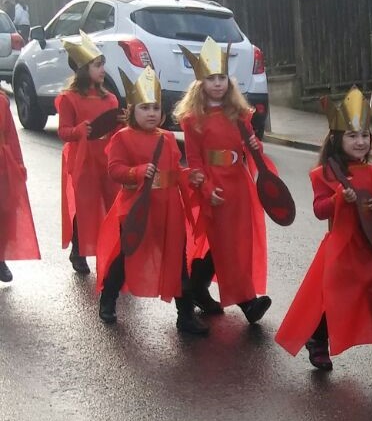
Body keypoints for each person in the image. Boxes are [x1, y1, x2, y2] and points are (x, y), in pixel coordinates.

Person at [275, 87, 372, 388]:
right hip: (342, 248)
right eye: (352, 136)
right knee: (336, 299)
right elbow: (319, 210)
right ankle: (317, 338)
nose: (360, 141)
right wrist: (338, 197)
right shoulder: (323, 174)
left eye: (364, 135)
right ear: (337, 139)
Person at [94, 66, 208, 335]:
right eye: (144, 108)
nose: (151, 113)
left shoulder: (167, 137)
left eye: (156, 108)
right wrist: (136, 171)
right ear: (132, 110)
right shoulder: (122, 137)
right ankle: (108, 297)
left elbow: (174, 171)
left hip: (169, 210)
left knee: (178, 261)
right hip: (138, 208)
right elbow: (115, 170)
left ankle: (185, 316)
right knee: (128, 255)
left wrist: (189, 176)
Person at [173, 37, 272, 324]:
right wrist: (205, 188)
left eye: (222, 77)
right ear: (200, 83)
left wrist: (254, 144)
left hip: (239, 184)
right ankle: (247, 302)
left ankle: (197, 287)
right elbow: (194, 161)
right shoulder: (193, 119)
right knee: (226, 243)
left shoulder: (239, 114)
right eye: (211, 78)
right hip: (216, 185)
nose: (217, 83)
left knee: (234, 243)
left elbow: (253, 151)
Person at [57, 31, 122, 274]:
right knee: (85, 205)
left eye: (103, 64)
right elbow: (63, 131)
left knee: (111, 202)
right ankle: (79, 250)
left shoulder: (111, 99)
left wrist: (123, 123)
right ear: (84, 69)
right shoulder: (69, 98)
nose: (103, 69)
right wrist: (78, 130)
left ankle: (113, 250)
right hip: (83, 160)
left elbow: (115, 132)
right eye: (97, 65)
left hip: (106, 158)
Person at [0, 89, 40, 282]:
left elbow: (11, 137)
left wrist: (18, 164)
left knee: (4, 214)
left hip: (2, 166)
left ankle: (0, 257)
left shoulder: (1, 102)